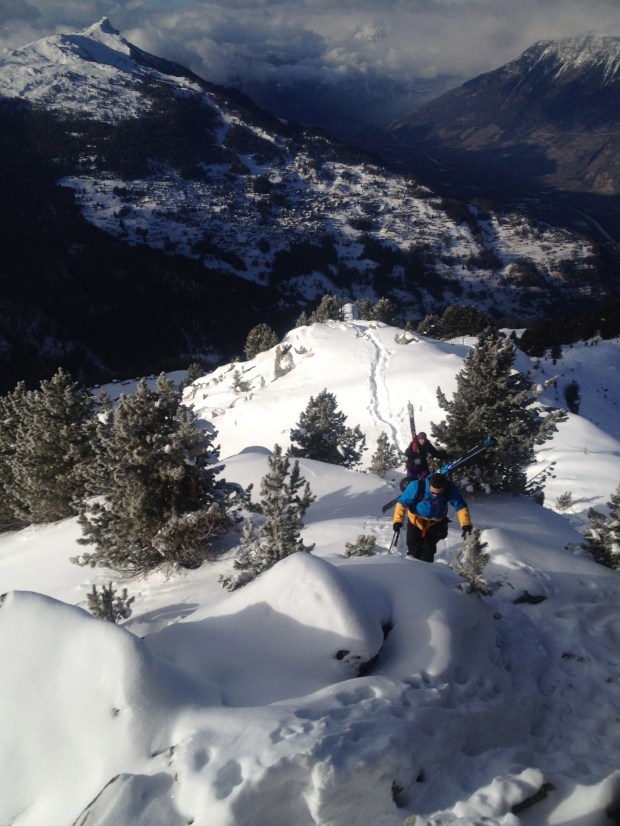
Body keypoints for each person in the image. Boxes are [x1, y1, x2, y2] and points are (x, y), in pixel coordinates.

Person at [392, 472, 472, 563]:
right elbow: (402, 503)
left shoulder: (450, 489)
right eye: (433, 493)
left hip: (435, 523)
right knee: (414, 549)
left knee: (428, 551)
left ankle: (427, 573)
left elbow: (461, 506)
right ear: (429, 484)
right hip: (415, 520)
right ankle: (413, 570)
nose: (435, 495)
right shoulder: (416, 486)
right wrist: (397, 521)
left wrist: (466, 524)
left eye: (438, 493)